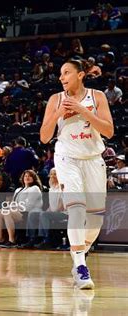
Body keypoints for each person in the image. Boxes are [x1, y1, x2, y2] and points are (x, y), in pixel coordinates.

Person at [40, 59, 114, 290]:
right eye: (60, 74)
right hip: (66, 158)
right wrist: (57, 114)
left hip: (92, 159)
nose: (61, 77)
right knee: (76, 208)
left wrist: (83, 111)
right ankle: (81, 266)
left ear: (80, 75)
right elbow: (44, 137)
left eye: (67, 73)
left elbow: (109, 131)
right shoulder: (55, 99)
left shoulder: (97, 96)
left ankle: (80, 253)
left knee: (95, 219)